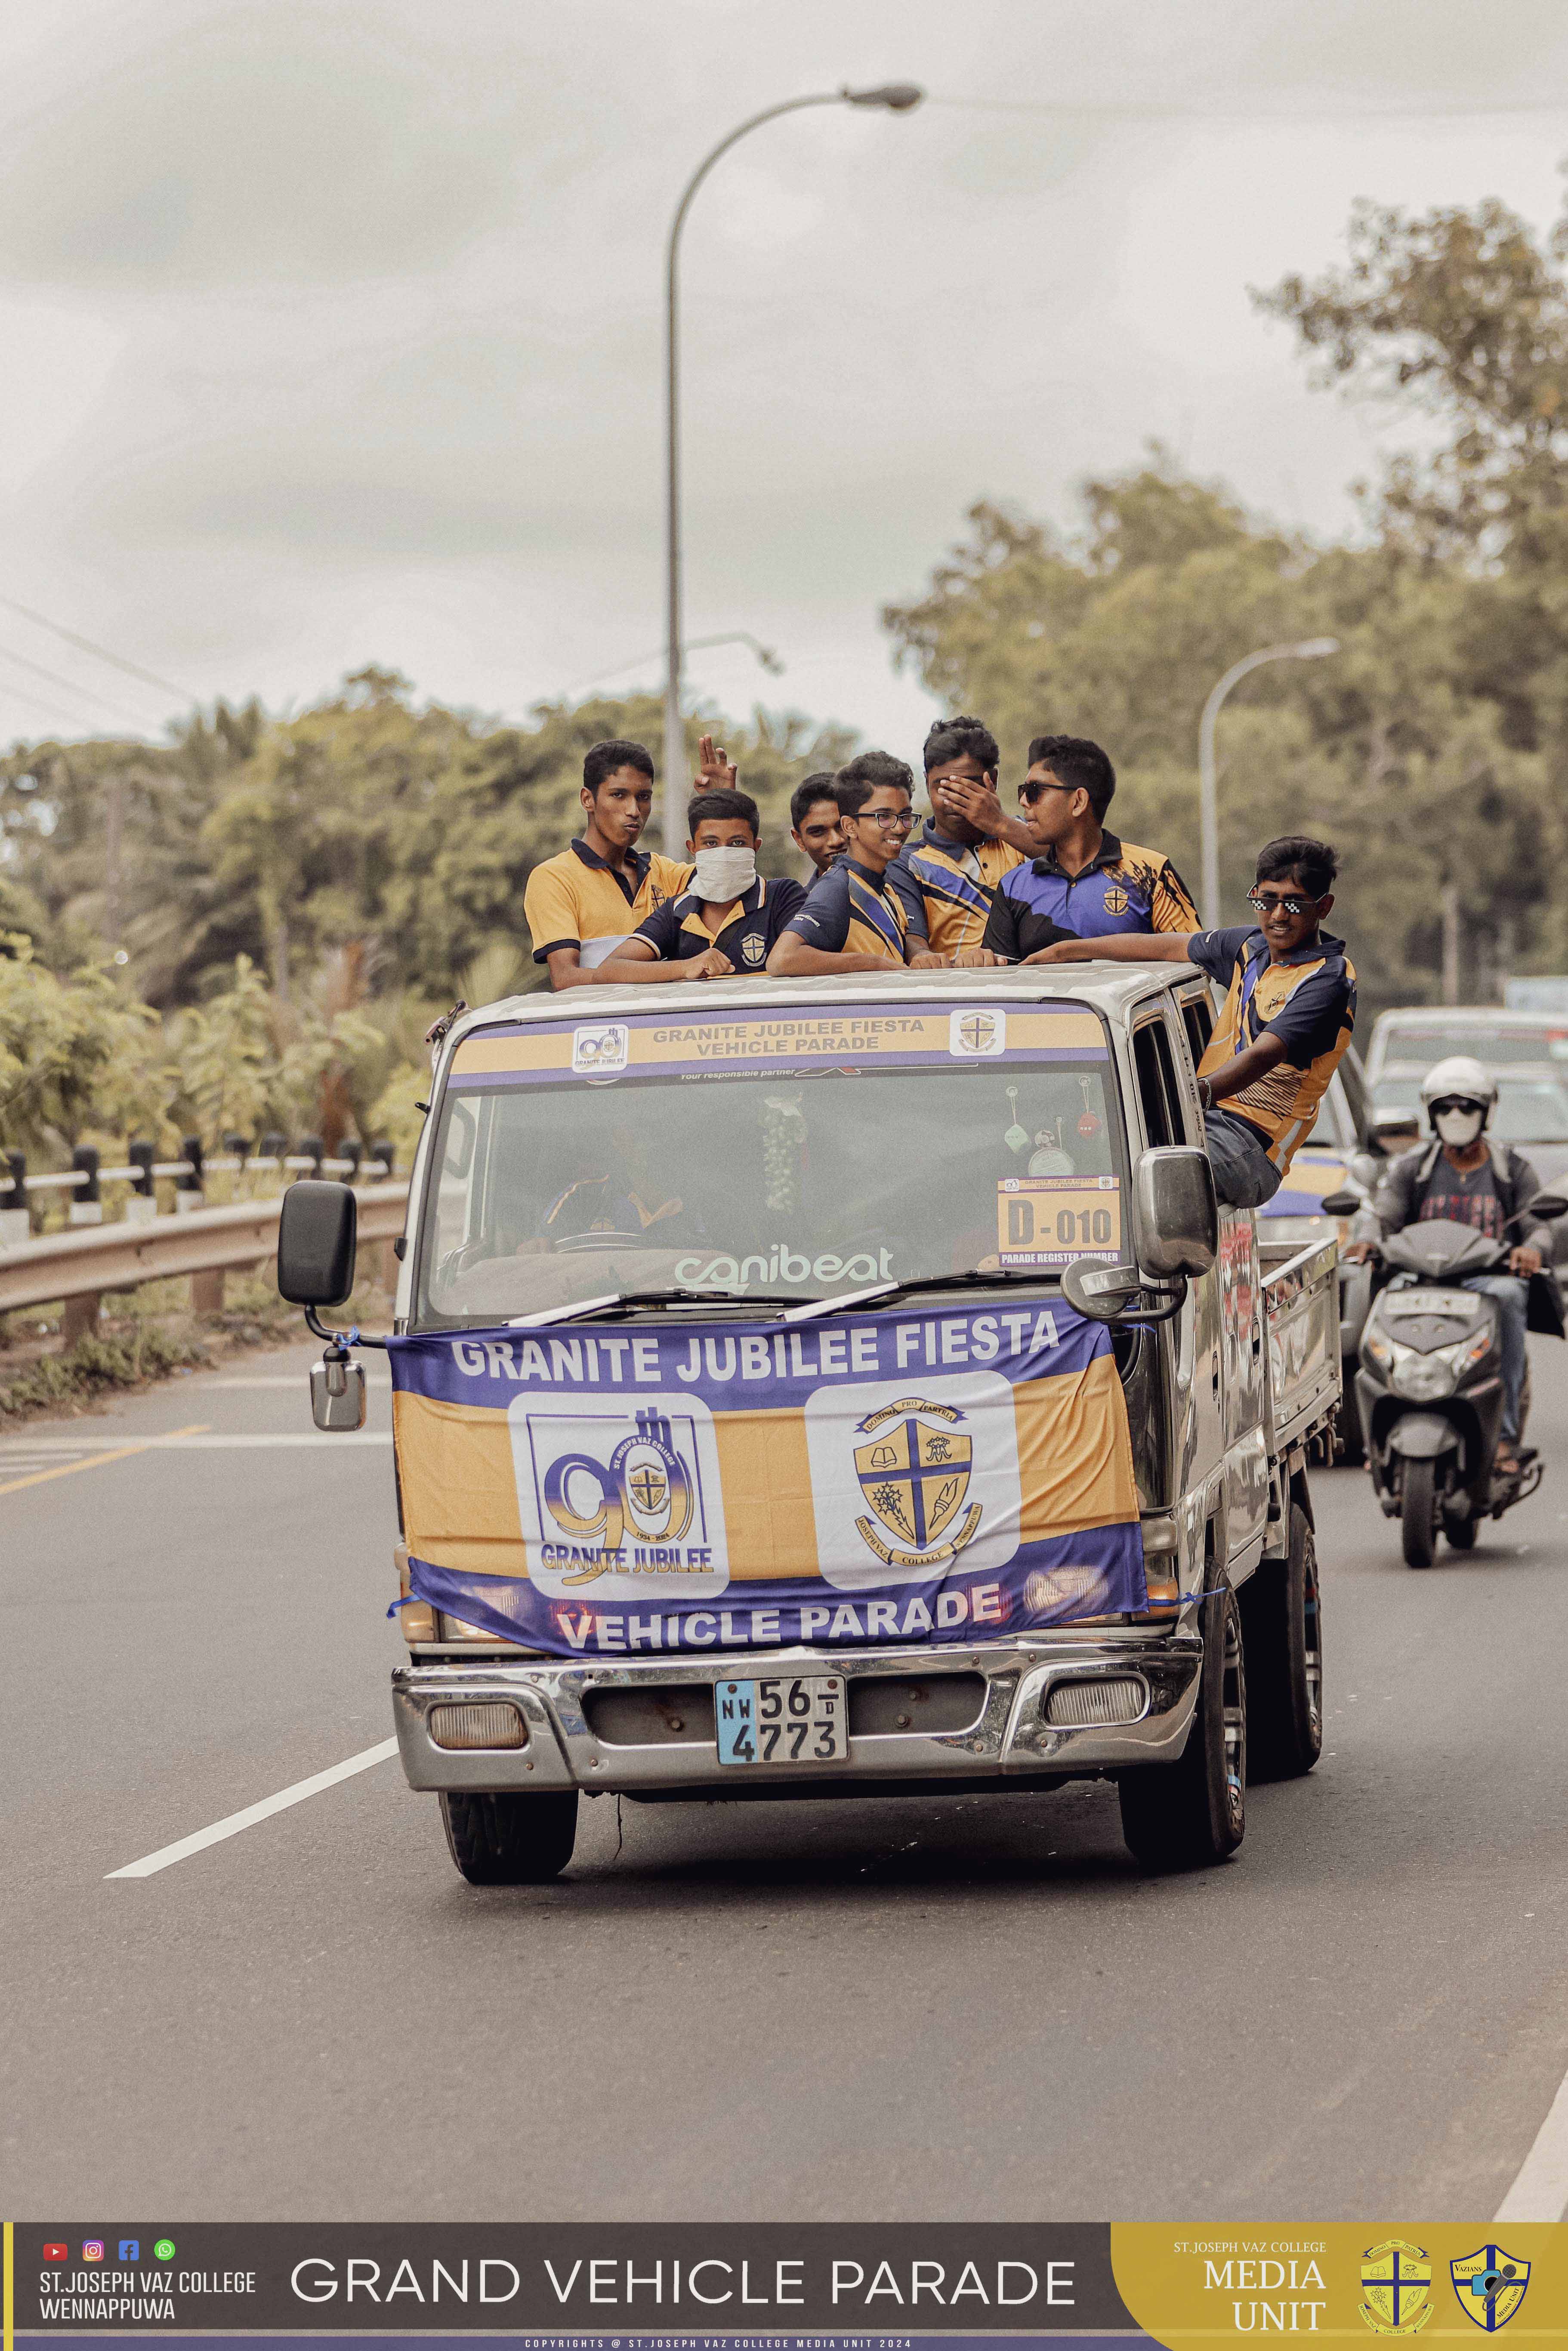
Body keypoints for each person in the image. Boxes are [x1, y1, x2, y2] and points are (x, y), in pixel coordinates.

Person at [1028, 836, 1354, 1211]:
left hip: (1250, 1146)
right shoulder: (1250, 948)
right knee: (1081, 1161)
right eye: (1267, 900)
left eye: (1294, 903)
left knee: (1138, 1184)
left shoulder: (1329, 979)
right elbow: (1164, 947)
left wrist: (1192, 1096)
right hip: (1203, 1124)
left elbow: (1265, 1054)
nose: (1278, 915)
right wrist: (1069, 951)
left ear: (1324, 907)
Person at [1347, 1057, 1546, 1471]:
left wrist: (1533, 1250)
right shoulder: (1412, 1169)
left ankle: (1505, 1437)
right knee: (1380, 1302)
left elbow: (1538, 1223)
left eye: (1467, 1106)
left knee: (1511, 1295)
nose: (1456, 1116)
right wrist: (1367, 1241)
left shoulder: (1511, 1169)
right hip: (1420, 1280)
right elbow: (1383, 1215)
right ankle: (1381, 1435)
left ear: (1487, 1111)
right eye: (1445, 1107)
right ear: (1431, 1114)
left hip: (1487, 1282)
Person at [982, 734, 1197, 960]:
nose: (1024, 801)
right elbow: (998, 985)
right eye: (1023, 790)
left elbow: (1193, 965)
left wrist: (1068, 952)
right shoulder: (1013, 886)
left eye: (1035, 790)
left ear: (1078, 802)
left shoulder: (1151, 873)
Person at [523, 740, 691, 990]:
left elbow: (730, 884)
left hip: (664, 1027)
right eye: (619, 795)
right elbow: (567, 978)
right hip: (603, 1028)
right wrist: (682, 969)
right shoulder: (554, 877)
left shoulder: (664, 871)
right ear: (588, 799)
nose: (634, 810)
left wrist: (724, 804)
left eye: (643, 797)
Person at [595, 788, 805, 983]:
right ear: (693, 848)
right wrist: (687, 967)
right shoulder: (677, 911)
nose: (723, 853)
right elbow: (608, 971)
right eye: (711, 843)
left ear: (756, 847)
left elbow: (806, 958)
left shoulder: (782, 898)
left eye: (737, 843)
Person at [888, 715, 1033, 960]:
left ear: (993, 781)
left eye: (967, 788)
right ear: (927, 783)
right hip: (960, 993)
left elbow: (1073, 858)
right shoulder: (907, 863)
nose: (953, 800)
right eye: (943, 787)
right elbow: (915, 945)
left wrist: (999, 824)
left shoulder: (1023, 836)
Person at [767, 753, 920, 974]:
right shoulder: (838, 885)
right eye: (883, 817)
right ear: (850, 826)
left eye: (905, 816)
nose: (899, 828)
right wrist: (873, 963)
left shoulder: (885, 887)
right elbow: (782, 959)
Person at [790, 773, 846, 885]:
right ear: (799, 840)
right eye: (818, 832)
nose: (836, 841)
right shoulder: (803, 902)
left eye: (843, 826)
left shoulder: (890, 888)